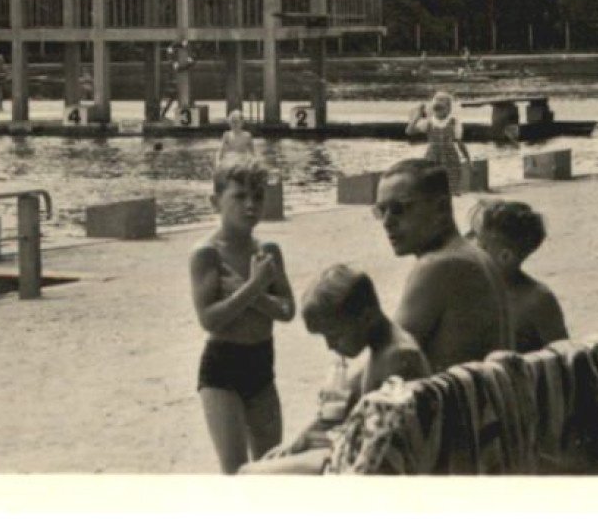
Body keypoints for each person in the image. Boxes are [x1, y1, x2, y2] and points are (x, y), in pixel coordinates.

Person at [243, 265, 431, 474]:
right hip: (360, 452)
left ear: (365, 317)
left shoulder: (398, 359)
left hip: (368, 467)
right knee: (272, 460)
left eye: (334, 335)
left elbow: (378, 452)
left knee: (250, 473)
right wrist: (302, 439)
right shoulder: (382, 347)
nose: (330, 346)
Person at [189, 160, 296, 473]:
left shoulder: (269, 251)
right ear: (215, 202)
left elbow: (288, 311)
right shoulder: (208, 253)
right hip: (223, 367)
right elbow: (209, 319)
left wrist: (253, 292)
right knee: (236, 472)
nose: (251, 205)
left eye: (258, 196)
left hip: (262, 362)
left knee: (269, 467)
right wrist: (256, 287)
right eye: (239, 197)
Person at [373, 158, 512, 370]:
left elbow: (389, 360)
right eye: (381, 210)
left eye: (399, 208)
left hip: (462, 401)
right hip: (487, 396)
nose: (387, 222)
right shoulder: (478, 256)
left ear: (441, 208)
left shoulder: (437, 266)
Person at [468, 200, 569, 353]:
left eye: (480, 243)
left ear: (505, 257)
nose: (468, 244)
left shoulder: (537, 300)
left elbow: (563, 358)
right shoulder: (468, 288)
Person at [406, 90, 473, 192]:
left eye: (442, 108)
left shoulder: (453, 122)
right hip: (432, 158)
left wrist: (468, 160)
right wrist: (417, 117)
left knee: (450, 187)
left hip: (450, 159)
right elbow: (409, 131)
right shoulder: (429, 122)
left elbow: (460, 143)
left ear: (448, 109)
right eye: (436, 109)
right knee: (432, 188)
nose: (439, 112)